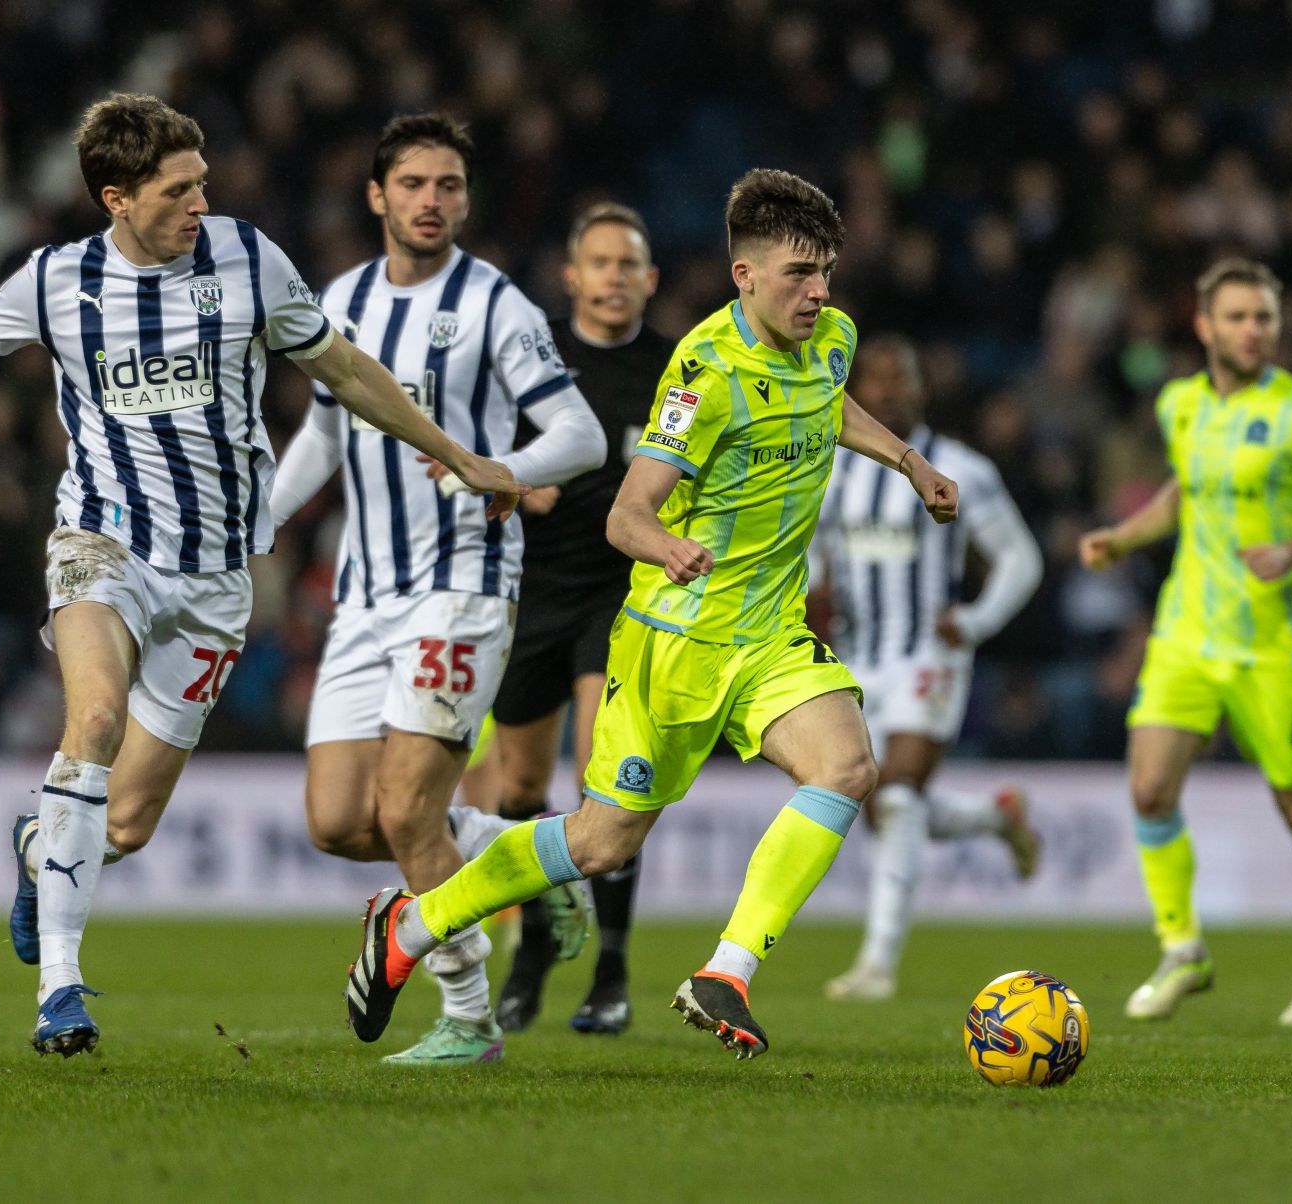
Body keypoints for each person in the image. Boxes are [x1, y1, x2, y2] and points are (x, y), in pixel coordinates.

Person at [0, 94, 525, 1058]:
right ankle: (61, 992)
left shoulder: (250, 261)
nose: (200, 203)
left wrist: (458, 455)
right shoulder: (55, 281)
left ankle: (41, 849)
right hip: (102, 543)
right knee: (91, 721)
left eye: (204, 183)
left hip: (213, 581)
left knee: (123, 823)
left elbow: (345, 369)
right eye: (178, 191)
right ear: (117, 198)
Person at [344, 168, 960, 1062]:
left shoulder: (832, 336)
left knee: (847, 767)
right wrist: (666, 547)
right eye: (798, 274)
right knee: (597, 844)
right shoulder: (702, 376)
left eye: (825, 270)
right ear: (744, 276)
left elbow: (832, 403)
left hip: (771, 637)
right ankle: (414, 924)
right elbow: (624, 513)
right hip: (673, 643)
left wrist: (907, 459)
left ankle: (728, 971)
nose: (818, 291)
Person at [268, 114, 605, 1066]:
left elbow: (581, 436)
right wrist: (266, 520)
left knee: (409, 811)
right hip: (365, 593)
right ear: (377, 195)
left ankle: (470, 1018)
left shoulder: (497, 304)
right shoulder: (338, 300)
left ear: (467, 197)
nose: (431, 201)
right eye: (412, 183)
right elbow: (326, 436)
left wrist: (498, 468)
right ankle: (523, 860)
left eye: (449, 185)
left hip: (463, 584)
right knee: (340, 822)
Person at [1077, 257, 1292, 1025]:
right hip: (1186, 631)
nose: (1255, 331)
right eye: (1240, 317)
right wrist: (1125, 535)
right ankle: (1182, 947)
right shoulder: (1180, 405)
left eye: (1266, 318)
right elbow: (1188, 489)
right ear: (1205, 326)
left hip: (1272, 643)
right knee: (1148, 788)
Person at [489, 202, 676, 1037]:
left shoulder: (678, 370)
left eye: (627, 263)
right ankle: (535, 944)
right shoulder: (534, 362)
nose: (613, 277)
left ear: (649, 280)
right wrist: (520, 483)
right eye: (599, 263)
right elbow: (481, 457)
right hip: (533, 590)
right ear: (571, 278)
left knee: (606, 771)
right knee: (520, 788)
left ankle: (612, 971)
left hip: (623, 593)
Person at [816, 334, 1046, 1003]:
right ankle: (994, 819)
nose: (888, 389)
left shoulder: (962, 468)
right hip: (856, 656)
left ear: (921, 387)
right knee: (882, 803)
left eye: (900, 377)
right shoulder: (833, 467)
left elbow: (1020, 559)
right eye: (876, 379)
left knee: (897, 794)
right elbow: (812, 557)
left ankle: (877, 964)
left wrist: (972, 622)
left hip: (928, 653)